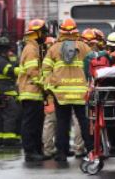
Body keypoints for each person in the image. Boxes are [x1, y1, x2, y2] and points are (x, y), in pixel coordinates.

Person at [42, 18, 93, 162]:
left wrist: (50, 86)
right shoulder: (84, 47)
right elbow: (92, 68)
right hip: (80, 93)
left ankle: (61, 153)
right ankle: (90, 150)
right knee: (84, 122)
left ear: (61, 31)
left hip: (61, 93)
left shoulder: (53, 48)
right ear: (76, 30)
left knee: (62, 123)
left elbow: (46, 69)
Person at [18, 19, 49, 162]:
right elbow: (33, 71)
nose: (45, 35)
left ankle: (36, 150)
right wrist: (45, 84)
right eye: (43, 32)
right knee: (30, 124)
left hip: (35, 93)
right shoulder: (31, 49)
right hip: (30, 92)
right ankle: (30, 151)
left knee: (37, 124)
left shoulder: (35, 47)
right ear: (37, 33)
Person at [0, 36, 21, 147]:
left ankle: (0, 139)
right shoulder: (0, 61)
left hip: (0, 94)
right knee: (10, 116)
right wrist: (25, 70)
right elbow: (10, 71)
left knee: (1, 118)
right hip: (5, 94)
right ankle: (9, 140)